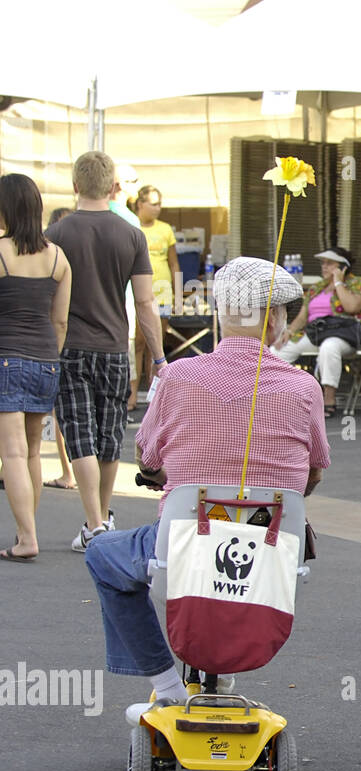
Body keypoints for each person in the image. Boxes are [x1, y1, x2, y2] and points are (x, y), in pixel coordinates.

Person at [85, 257, 329, 719]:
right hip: (270, 559)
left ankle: (167, 685)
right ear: (275, 320)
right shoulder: (304, 389)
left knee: (103, 554)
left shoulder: (176, 378)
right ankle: (217, 676)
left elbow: (150, 460)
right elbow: (314, 472)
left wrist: (169, 474)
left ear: (220, 313)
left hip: (181, 548)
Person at [46, 151, 166, 552]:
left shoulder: (58, 236)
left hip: (70, 346)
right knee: (110, 432)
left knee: (80, 433)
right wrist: (159, 357)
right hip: (115, 346)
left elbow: (47, 296)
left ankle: (94, 523)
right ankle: (102, 515)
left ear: (75, 186)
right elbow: (146, 303)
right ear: (113, 186)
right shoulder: (132, 234)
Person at [0, 173, 72, 561]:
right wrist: (50, 356)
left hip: (6, 357)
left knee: (10, 454)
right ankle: (25, 529)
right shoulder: (58, 257)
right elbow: (60, 321)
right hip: (46, 359)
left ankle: (27, 538)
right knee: (31, 452)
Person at [273, 246, 361, 419]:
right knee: (278, 350)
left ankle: (329, 398)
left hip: (344, 333)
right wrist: (289, 331)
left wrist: (339, 282)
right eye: (323, 263)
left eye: (330, 263)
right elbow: (303, 317)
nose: (324, 267)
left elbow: (352, 307)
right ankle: (277, 395)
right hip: (316, 332)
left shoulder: (357, 283)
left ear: (343, 267)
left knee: (329, 347)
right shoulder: (316, 288)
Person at [130, 185, 178, 408]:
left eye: (160, 204)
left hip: (163, 291)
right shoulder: (131, 225)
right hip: (140, 291)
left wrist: (178, 293)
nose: (158, 208)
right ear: (140, 204)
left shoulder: (166, 229)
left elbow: (173, 261)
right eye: (153, 203)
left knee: (156, 346)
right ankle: (132, 395)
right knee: (138, 344)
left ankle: (154, 397)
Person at [42, 208, 76, 492]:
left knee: (61, 412)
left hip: (57, 342)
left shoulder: (50, 257)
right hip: (95, 339)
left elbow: (57, 317)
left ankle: (68, 472)